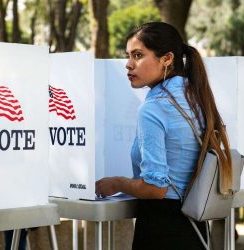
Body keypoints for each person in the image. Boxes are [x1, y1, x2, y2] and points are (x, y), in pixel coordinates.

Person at [95, 21, 233, 250]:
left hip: (161, 229)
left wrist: (116, 183)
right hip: (195, 227)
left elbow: (155, 188)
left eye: (138, 55)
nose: (128, 64)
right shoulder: (195, 96)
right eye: (128, 55)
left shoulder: (154, 108)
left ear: (167, 58)